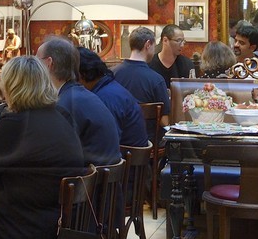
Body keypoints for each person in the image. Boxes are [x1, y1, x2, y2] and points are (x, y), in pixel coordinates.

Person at [0, 56, 85, 239]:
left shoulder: (17, 124)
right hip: (60, 227)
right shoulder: (61, 115)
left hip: (26, 235)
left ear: (12, 87)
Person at [38, 36, 120, 166]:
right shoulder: (84, 96)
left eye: (38, 61)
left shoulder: (65, 104)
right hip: (104, 180)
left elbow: (56, 155)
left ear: (49, 63)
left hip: (87, 183)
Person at [78, 47, 147, 148]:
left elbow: (106, 143)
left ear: (82, 75)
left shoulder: (104, 98)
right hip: (127, 157)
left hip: (126, 160)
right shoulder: (108, 88)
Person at [112, 26, 169, 109]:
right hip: (146, 122)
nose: (154, 50)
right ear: (148, 44)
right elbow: (164, 119)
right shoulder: (157, 79)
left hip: (117, 122)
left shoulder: (112, 74)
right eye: (154, 46)